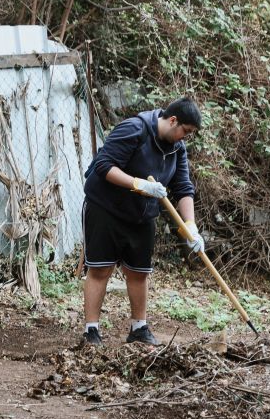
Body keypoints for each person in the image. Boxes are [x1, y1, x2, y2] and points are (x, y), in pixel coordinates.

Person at [80, 97, 205, 347]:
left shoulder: (177, 149)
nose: (185, 138)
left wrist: (190, 226)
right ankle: (91, 331)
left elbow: (183, 188)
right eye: (186, 131)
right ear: (173, 120)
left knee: (139, 272)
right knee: (101, 270)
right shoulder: (134, 129)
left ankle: (139, 328)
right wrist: (139, 184)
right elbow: (103, 166)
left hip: (141, 216)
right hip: (106, 209)